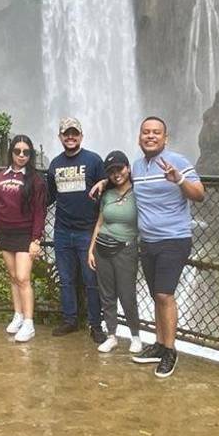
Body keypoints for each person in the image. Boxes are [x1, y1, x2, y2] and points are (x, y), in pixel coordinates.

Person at [128, 116, 205, 379]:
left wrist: (179, 180)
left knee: (164, 295)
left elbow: (199, 194)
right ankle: (159, 345)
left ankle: (170, 350)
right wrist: (105, 183)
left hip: (174, 238)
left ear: (165, 138)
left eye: (156, 132)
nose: (150, 136)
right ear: (140, 137)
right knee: (156, 295)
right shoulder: (137, 167)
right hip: (148, 241)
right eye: (146, 132)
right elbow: (123, 187)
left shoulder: (179, 162)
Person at [45, 117, 107, 342]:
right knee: (66, 279)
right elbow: (49, 196)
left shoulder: (93, 160)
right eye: (66, 133)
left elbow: (107, 188)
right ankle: (70, 320)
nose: (70, 137)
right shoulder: (54, 164)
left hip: (87, 232)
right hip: (62, 230)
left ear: (81, 136)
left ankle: (95, 324)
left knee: (91, 281)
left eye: (74, 133)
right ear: (60, 137)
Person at [0, 134, 46, 343]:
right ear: (11, 152)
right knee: (13, 277)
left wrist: (35, 239)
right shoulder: (0, 177)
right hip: (5, 232)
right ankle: (18, 315)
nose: (21, 155)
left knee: (23, 278)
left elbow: (40, 212)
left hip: (25, 234)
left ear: (30, 155)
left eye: (26, 152)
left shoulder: (36, 180)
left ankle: (29, 323)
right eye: (17, 151)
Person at [87, 150, 143, 355]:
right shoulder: (107, 194)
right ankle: (112, 335)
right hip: (102, 248)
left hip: (126, 249)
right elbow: (100, 222)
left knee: (127, 295)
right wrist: (91, 250)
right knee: (107, 295)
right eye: (111, 171)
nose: (116, 174)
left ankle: (135, 336)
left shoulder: (140, 192)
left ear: (128, 168)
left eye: (119, 168)